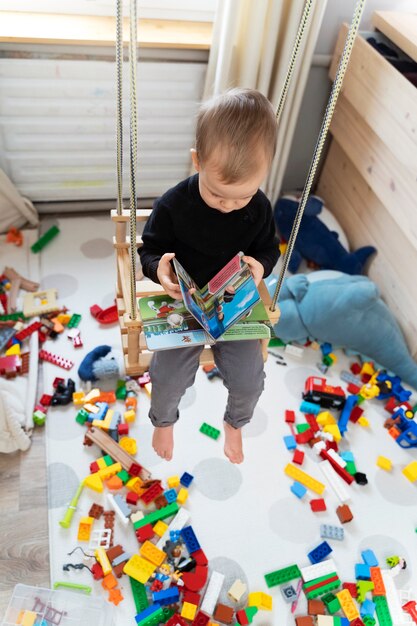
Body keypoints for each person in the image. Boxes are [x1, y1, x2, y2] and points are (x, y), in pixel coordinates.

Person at [139, 88, 280, 464]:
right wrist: (160, 269)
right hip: (183, 305)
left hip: (233, 306)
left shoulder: (260, 207)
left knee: (250, 380)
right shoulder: (174, 204)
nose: (230, 205)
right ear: (197, 162)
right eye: (219, 195)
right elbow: (148, 250)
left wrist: (261, 267)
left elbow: (269, 249)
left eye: (242, 197)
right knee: (167, 377)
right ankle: (164, 421)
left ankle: (235, 424)